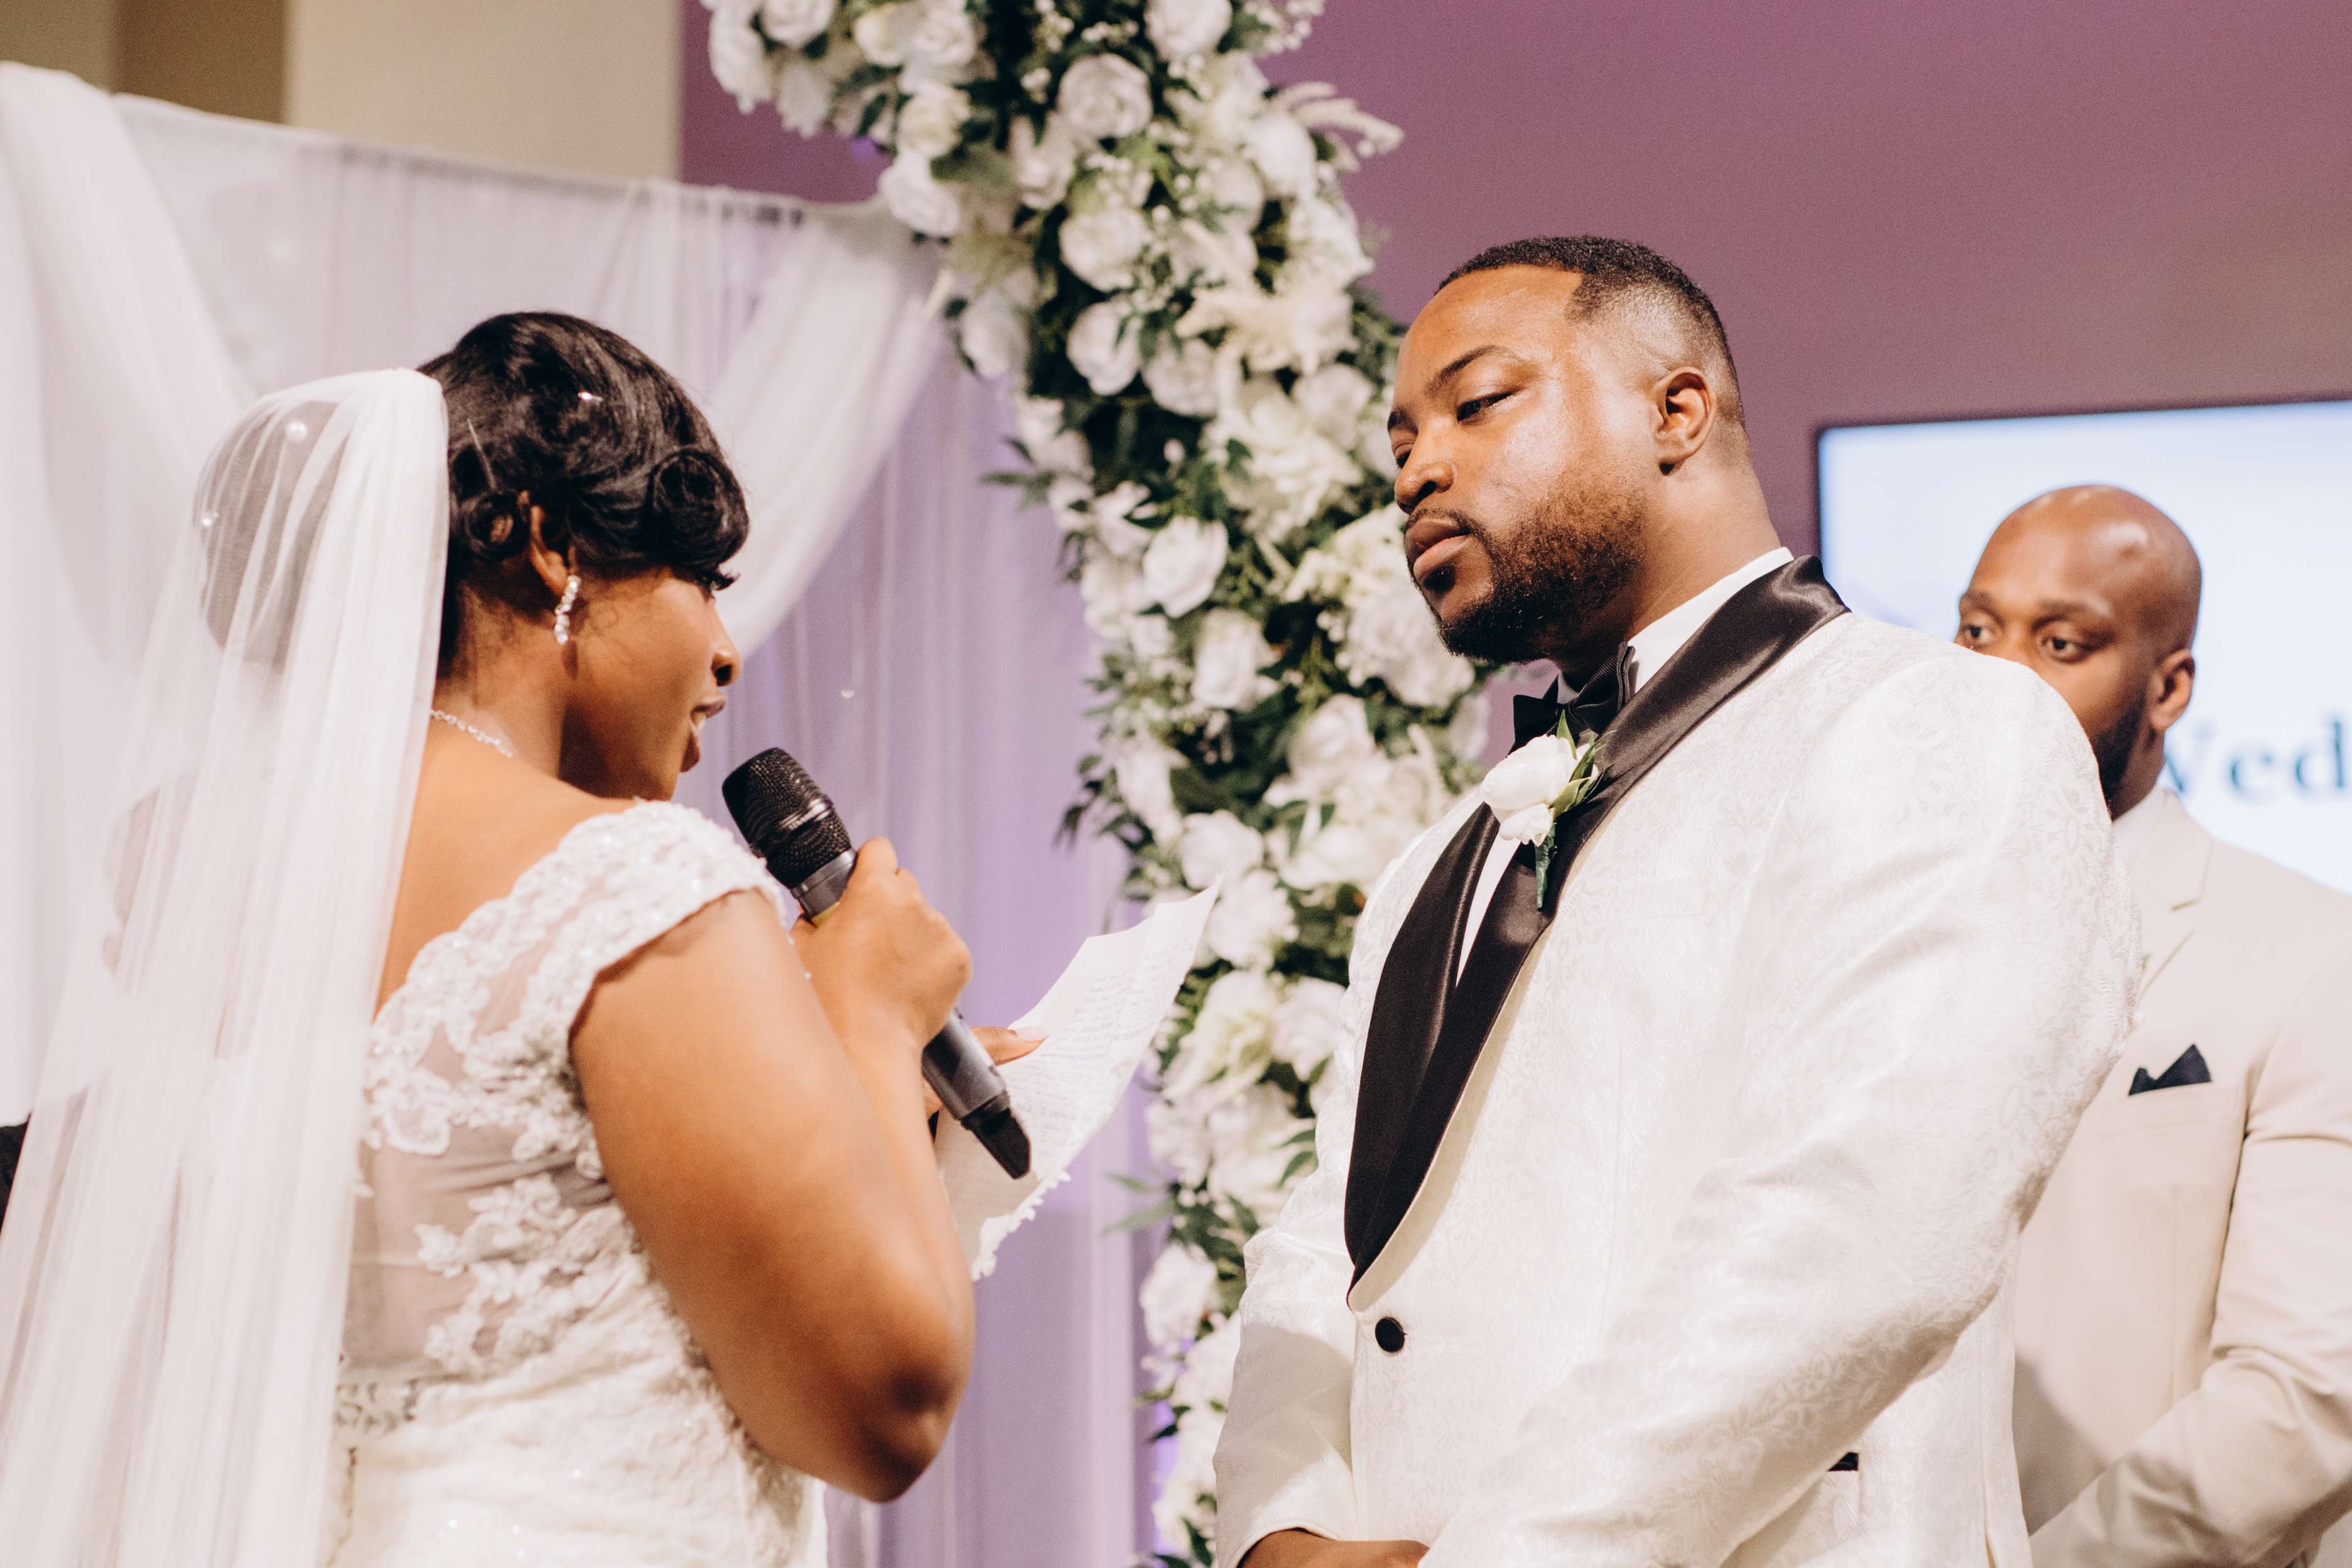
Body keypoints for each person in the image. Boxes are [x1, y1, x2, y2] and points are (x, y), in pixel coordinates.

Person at [0, 315, 1020, 1567]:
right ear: (551, 548)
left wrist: (837, 1108)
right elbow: (884, 1412)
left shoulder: (232, 904)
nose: (725, 652)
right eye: (701, 578)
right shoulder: (632, 888)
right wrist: (872, 1019)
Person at [1211, 237, 2138, 1568]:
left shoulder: (1943, 725)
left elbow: (1865, 1233)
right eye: (1401, 441)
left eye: (1478, 404)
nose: (1416, 470)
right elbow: (1325, 1240)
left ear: (1678, 411)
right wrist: (1283, 1527)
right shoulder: (1440, 861)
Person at [1958, 485, 2352, 1568]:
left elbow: (2305, 1393)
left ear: (2169, 687)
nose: (1999, 678)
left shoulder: (2314, 955)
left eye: (2061, 643)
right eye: (1978, 630)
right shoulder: (1866, 942)